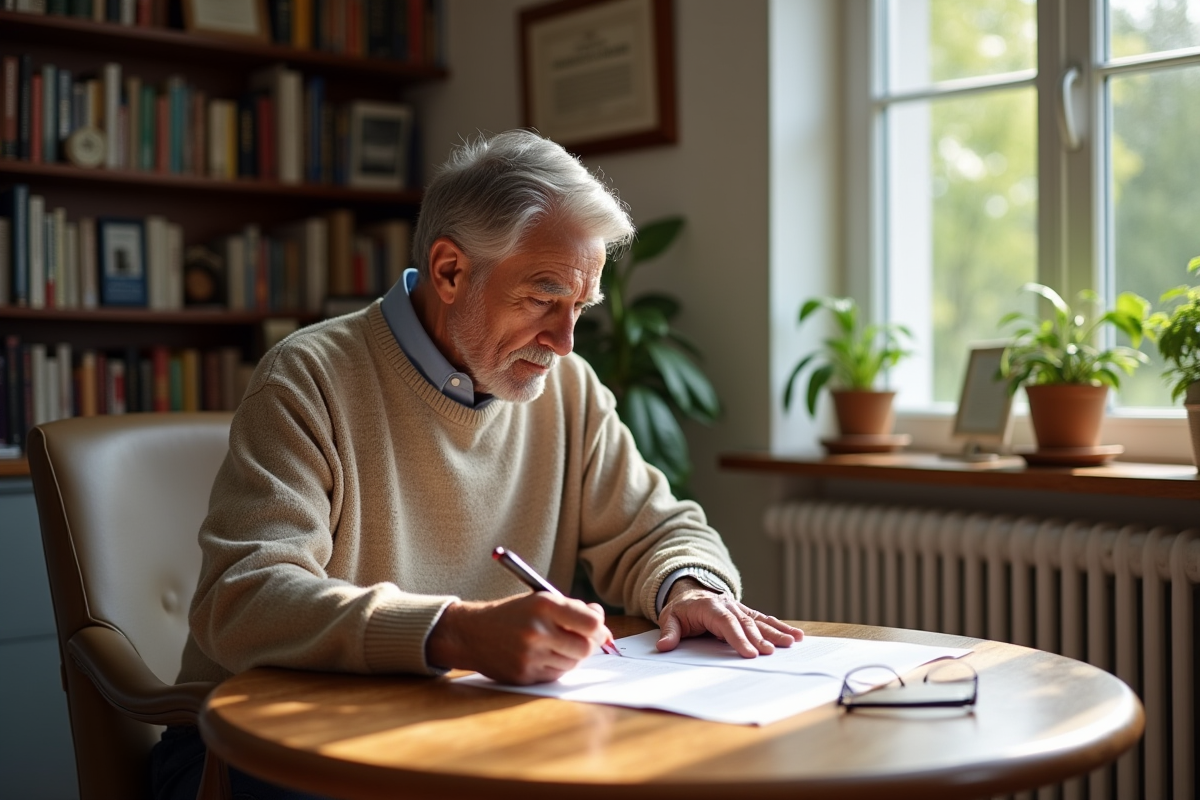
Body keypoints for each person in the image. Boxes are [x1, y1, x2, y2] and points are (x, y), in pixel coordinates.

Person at [150, 129, 803, 800]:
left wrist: (687, 587)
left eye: (580, 307)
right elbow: (246, 598)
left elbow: (661, 530)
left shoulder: (568, 390)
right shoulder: (308, 377)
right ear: (450, 271)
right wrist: (451, 633)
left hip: (459, 734)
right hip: (255, 746)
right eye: (543, 298)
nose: (565, 340)